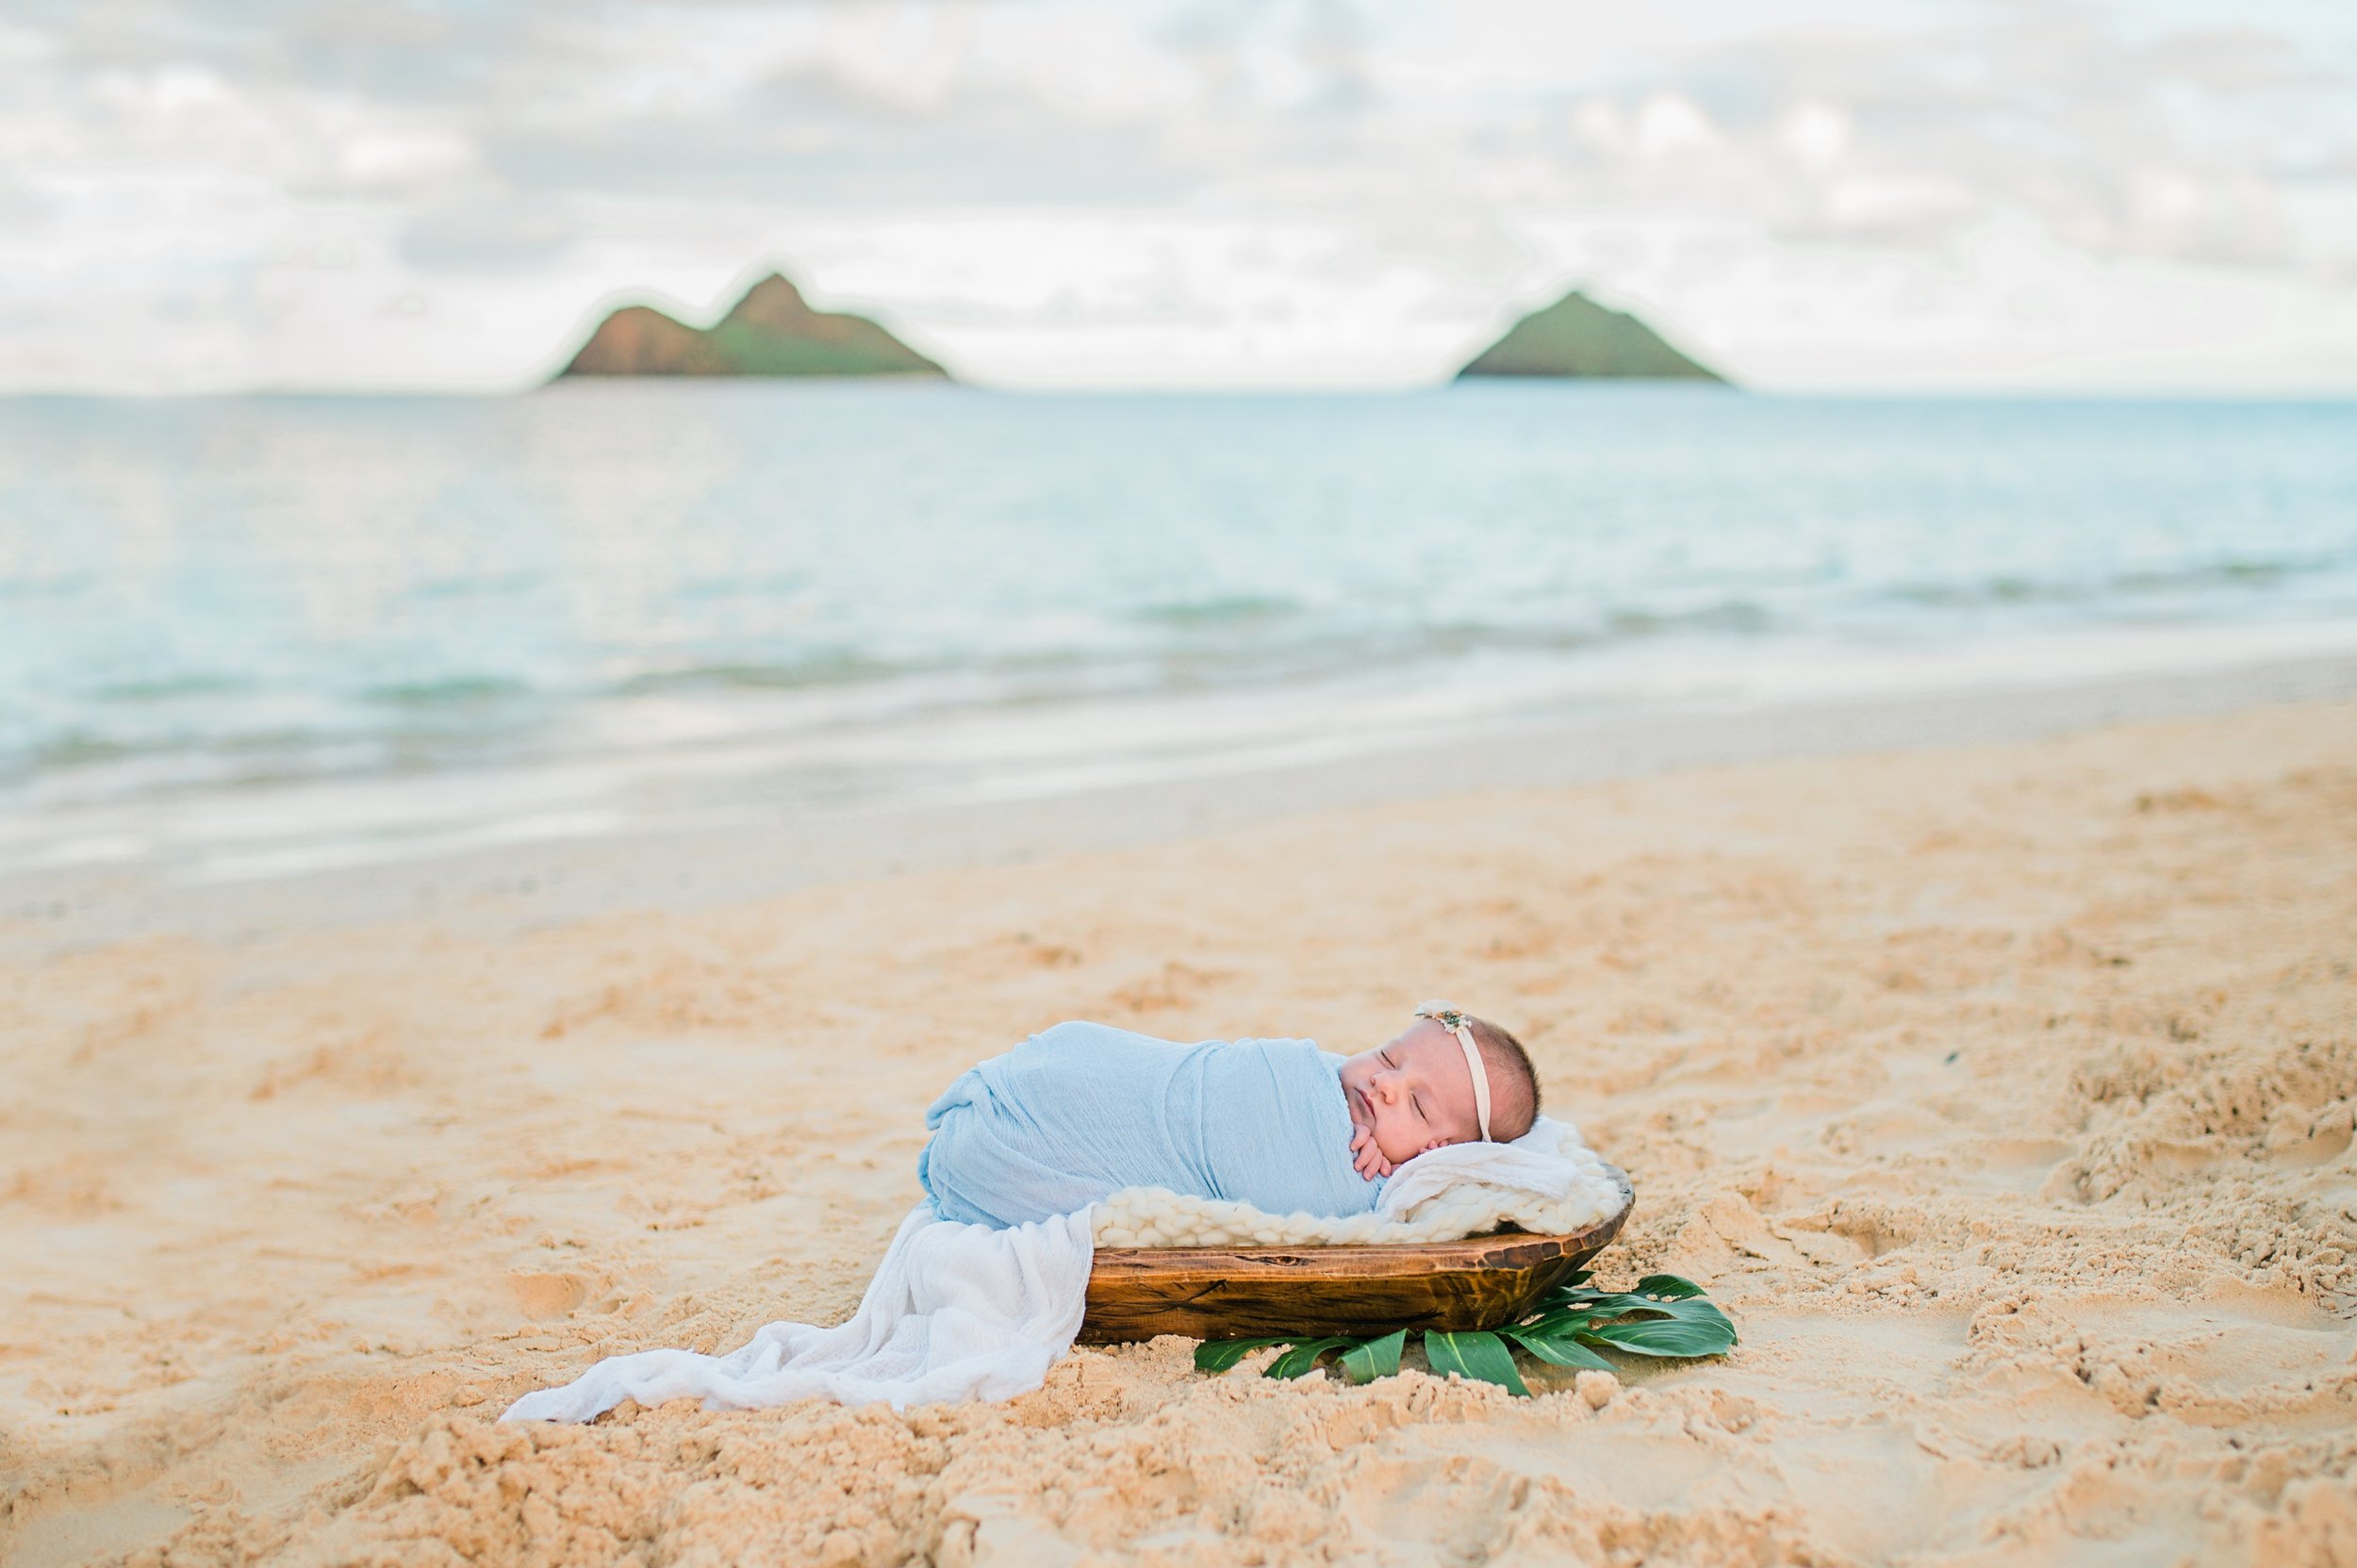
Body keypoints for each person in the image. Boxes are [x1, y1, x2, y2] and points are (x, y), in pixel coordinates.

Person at [917, 1000, 1541, 1229]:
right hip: (1104, 1071)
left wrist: (1369, 1171)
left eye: (1416, 1103)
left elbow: (1294, 1191)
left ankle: (995, 1142)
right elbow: (1259, 1084)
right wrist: (1353, 1120)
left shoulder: (1368, 1174)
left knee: (1021, 1150)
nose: (1381, 1083)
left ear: (1441, 1153)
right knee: (1086, 1068)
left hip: (1018, 1146)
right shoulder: (1313, 1078)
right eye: (1387, 1055)